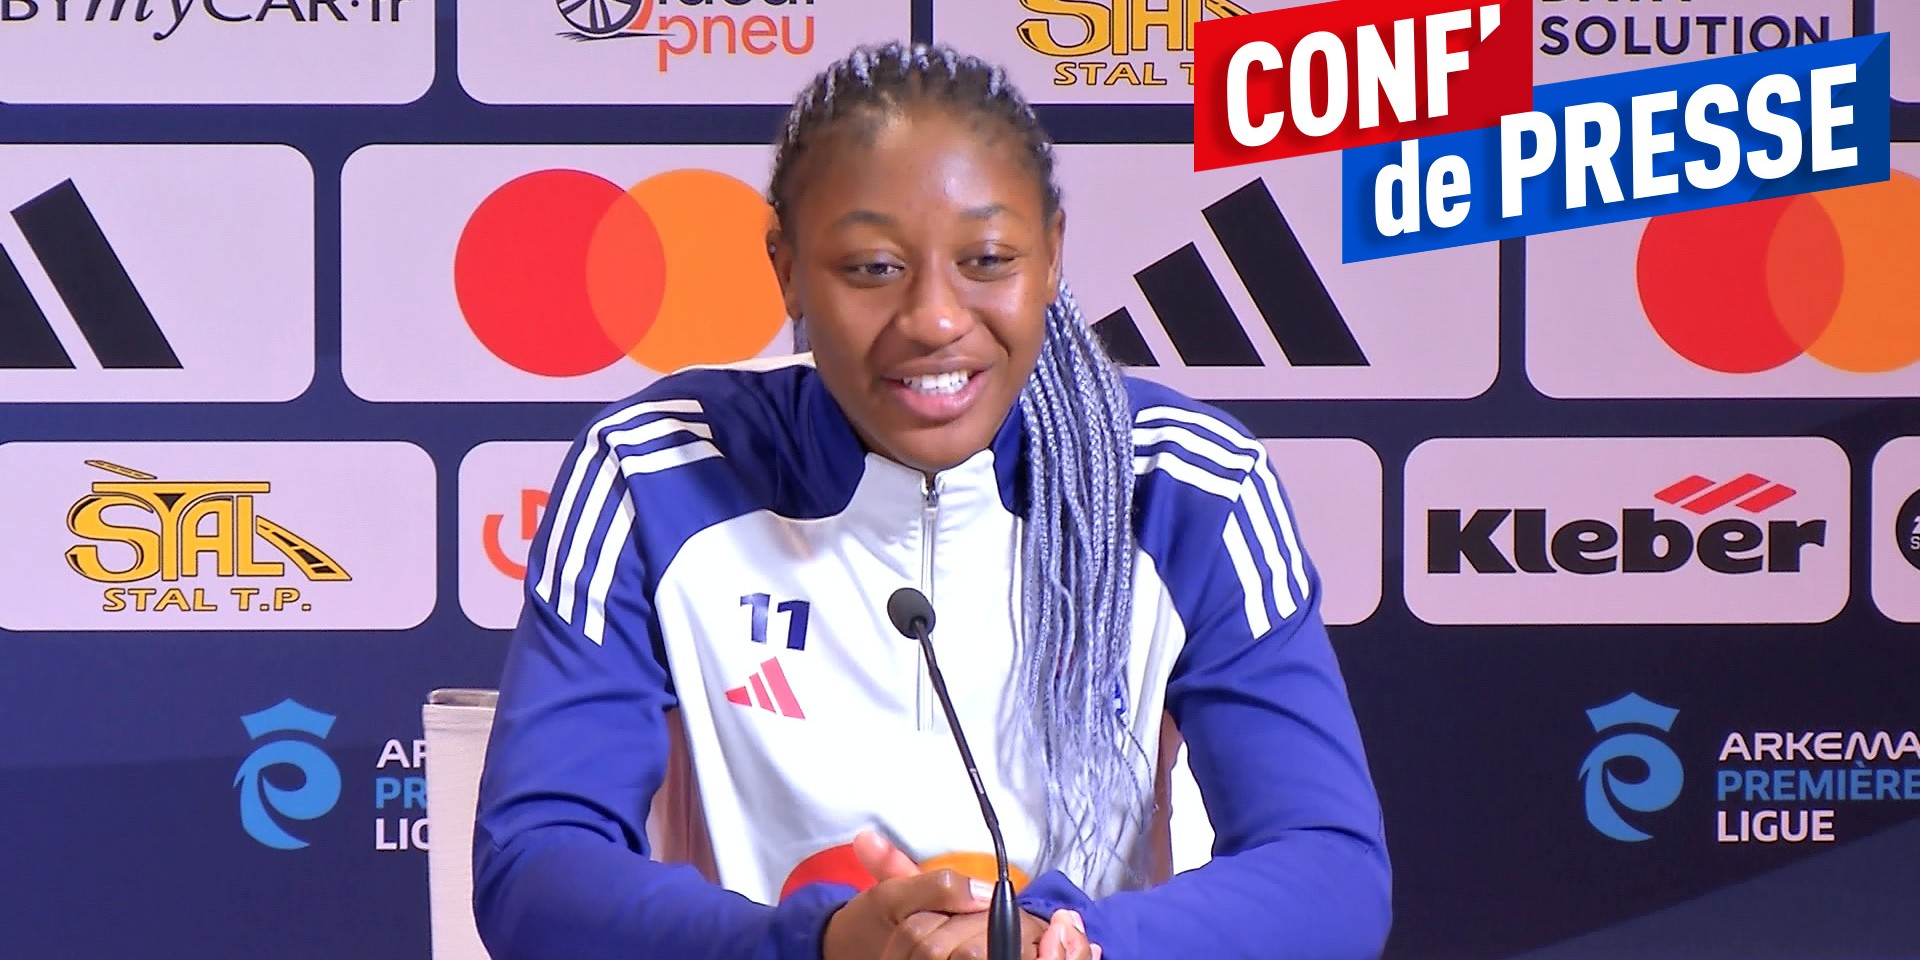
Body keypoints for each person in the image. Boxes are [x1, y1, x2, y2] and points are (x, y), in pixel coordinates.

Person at [470, 39, 1391, 960]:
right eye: (873, 267)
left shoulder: (1185, 483)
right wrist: (821, 947)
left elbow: (1331, 871)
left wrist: (1067, 940)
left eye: (988, 259)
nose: (936, 319)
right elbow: (537, 867)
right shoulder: (654, 470)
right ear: (786, 268)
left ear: (1052, 254)